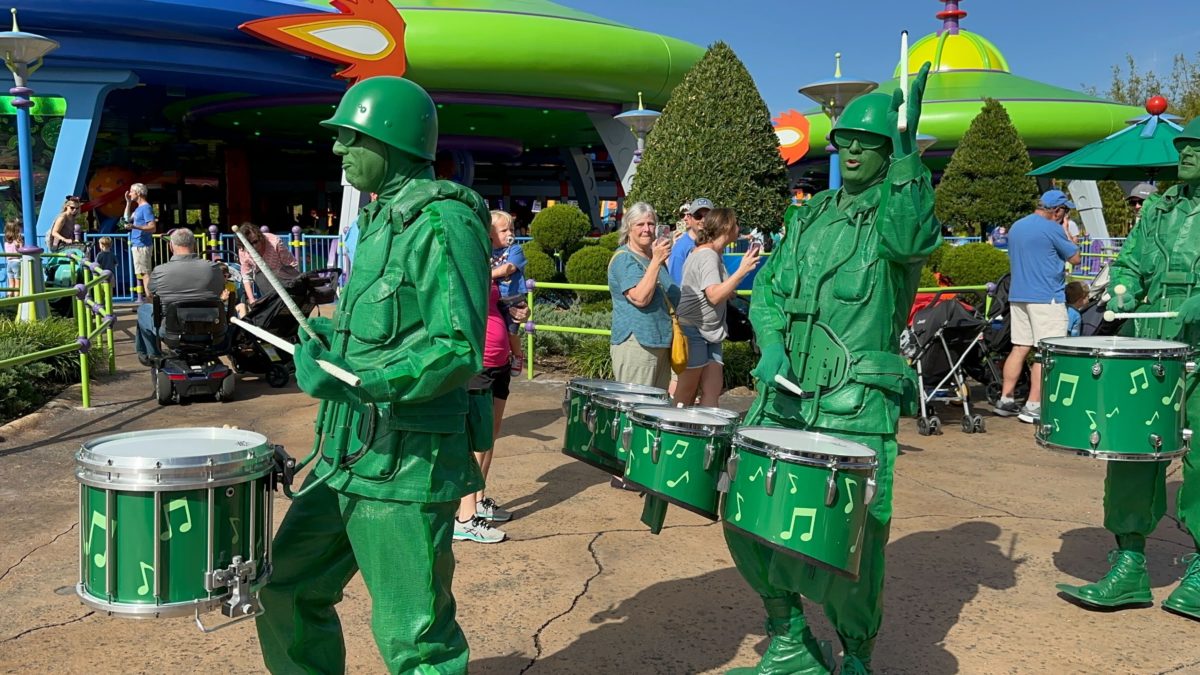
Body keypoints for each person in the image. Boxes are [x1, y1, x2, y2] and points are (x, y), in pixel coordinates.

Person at [256, 76, 491, 674]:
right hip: (346, 455)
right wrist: (329, 343)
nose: (338, 148)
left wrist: (358, 380)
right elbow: (383, 330)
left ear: (390, 140)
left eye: (350, 136)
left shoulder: (441, 222)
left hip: (407, 464)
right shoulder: (381, 218)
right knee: (284, 589)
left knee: (415, 638)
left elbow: (456, 347)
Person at [726, 63, 940, 675]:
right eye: (845, 140)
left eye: (868, 144)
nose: (852, 152)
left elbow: (912, 240)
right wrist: (770, 343)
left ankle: (855, 656)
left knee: (852, 542)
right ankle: (790, 639)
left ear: (887, 152)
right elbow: (770, 293)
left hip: (856, 403)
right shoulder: (810, 214)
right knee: (748, 517)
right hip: (784, 396)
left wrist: (909, 159)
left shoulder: (896, 214)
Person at [1055, 119, 1200, 620]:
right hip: (1153, 347)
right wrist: (1123, 285)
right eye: (1184, 145)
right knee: (1132, 452)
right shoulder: (1159, 209)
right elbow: (1134, 261)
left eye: (1197, 146)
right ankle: (1130, 565)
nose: (1187, 153)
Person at [992, 189, 1081, 424]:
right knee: (1045, 352)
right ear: (1057, 211)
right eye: (1065, 212)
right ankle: (1033, 405)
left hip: (1019, 294)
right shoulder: (1052, 228)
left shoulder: (1017, 226)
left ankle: (1005, 399)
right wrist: (1066, 232)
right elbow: (1075, 258)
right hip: (1046, 297)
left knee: (1020, 347)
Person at [674, 207, 761, 407]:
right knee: (687, 390)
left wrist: (732, 284)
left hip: (711, 330)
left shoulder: (714, 253)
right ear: (727, 227)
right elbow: (713, 295)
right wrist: (742, 270)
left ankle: (706, 424)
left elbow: (721, 290)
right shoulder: (707, 255)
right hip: (694, 329)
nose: (739, 228)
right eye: (736, 223)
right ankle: (676, 423)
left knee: (713, 388)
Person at [454, 281, 513, 544]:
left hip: (500, 360)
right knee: (476, 437)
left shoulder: (490, 266)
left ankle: (478, 500)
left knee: (489, 435)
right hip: (479, 362)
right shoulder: (471, 264)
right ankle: (465, 517)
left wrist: (514, 313)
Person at [607, 201, 679, 391]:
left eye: (651, 224)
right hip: (637, 345)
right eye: (640, 224)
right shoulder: (624, 258)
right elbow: (640, 298)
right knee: (637, 405)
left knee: (657, 406)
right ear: (628, 228)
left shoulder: (653, 257)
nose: (646, 229)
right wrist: (656, 261)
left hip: (661, 343)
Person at [132, 228, 225, 366]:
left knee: (143, 310)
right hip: (211, 328)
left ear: (171, 246)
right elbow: (220, 290)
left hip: (172, 330)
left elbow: (151, 294)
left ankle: (152, 355)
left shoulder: (160, 271)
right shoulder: (214, 268)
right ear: (194, 245)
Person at [489, 209, 528, 375]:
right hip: (498, 298)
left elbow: (509, 268)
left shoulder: (515, 250)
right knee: (501, 330)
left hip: (513, 297)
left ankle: (518, 355)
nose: (509, 234)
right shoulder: (487, 252)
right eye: (503, 230)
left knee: (511, 331)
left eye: (511, 229)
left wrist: (487, 275)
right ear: (490, 234)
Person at [236, 223, 299, 306]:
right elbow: (246, 276)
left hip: (284, 277)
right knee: (260, 276)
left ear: (260, 237)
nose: (254, 246)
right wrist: (252, 300)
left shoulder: (274, 242)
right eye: (249, 244)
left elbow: (291, 264)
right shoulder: (243, 250)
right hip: (264, 281)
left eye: (255, 242)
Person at [666, 197, 712, 284]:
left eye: (707, 216)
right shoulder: (680, 248)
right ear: (690, 218)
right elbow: (676, 284)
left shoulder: (714, 242)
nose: (703, 220)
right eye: (698, 216)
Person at [123, 183, 157, 303]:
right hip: (137, 244)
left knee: (145, 273)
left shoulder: (146, 208)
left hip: (142, 245)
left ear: (138, 193)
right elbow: (126, 219)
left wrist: (135, 227)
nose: (130, 194)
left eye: (131, 191)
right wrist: (128, 203)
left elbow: (152, 227)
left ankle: (150, 302)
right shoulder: (138, 208)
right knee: (143, 273)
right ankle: (149, 301)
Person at [4, 219, 21, 297]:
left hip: (9, 263)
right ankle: (17, 299)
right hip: (16, 262)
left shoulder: (6, 243)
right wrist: (20, 243)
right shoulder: (17, 242)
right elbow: (21, 251)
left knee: (11, 284)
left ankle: (9, 298)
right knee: (17, 284)